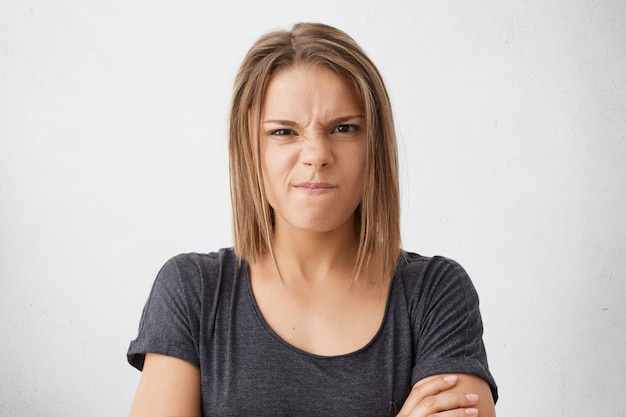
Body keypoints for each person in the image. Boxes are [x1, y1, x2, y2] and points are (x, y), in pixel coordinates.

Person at [127, 22, 498, 416]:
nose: (316, 154)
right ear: (249, 150)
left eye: (343, 128)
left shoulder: (435, 293)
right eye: (284, 132)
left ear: (374, 145)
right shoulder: (193, 291)